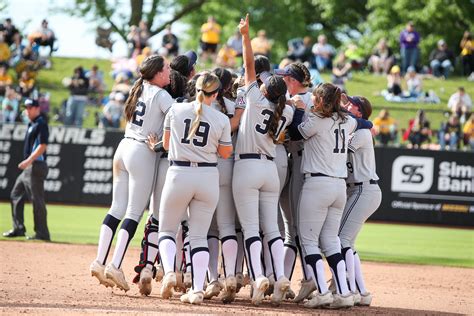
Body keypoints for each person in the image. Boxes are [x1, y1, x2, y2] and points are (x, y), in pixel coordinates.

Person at [89, 55, 172, 292]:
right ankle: (114, 265)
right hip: (142, 151)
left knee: (116, 208)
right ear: (156, 73)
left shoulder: (139, 88)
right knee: (134, 213)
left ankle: (99, 261)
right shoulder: (161, 94)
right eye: (165, 69)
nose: (168, 72)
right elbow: (179, 117)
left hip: (123, 147)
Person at [288, 83, 372, 309]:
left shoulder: (316, 121)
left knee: (308, 241)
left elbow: (294, 132)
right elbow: (366, 122)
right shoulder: (349, 121)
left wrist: (297, 110)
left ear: (320, 100)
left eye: (316, 97)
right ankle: (344, 293)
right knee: (331, 241)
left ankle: (323, 292)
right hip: (338, 187)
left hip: (317, 184)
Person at [233, 14, 293, 306]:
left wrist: (246, 35)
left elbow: (247, 64)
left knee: (251, 229)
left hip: (247, 166)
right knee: (273, 230)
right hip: (271, 168)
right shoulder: (286, 111)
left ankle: (259, 277)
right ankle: (281, 276)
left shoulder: (255, 97)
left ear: (266, 86)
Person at [158, 72, 233, 305]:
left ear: (195, 89)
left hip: (179, 173)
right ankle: (198, 289)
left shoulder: (176, 110)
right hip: (208, 175)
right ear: (216, 93)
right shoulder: (221, 119)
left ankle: (170, 271)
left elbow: (166, 144)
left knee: (167, 231)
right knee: (199, 236)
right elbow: (226, 153)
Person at [274, 62, 315, 302]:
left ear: (291, 80)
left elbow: (297, 132)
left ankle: (309, 279)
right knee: (292, 230)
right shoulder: (300, 99)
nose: (282, 81)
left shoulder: (304, 100)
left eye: (284, 77)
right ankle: (285, 282)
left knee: (297, 230)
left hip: (302, 162)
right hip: (293, 162)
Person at [339, 95, 381, 307]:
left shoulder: (362, 132)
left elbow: (339, 150)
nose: (346, 105)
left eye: (350, 104)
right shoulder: (359, 128)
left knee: (340, 240)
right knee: (346, 241)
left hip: (363, 189)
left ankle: (350, 288)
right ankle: (362, 291)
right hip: (359, 189)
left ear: (359, 112)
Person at [3, 99, 50, 241]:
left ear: (37, 109)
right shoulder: (32, 124)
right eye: (26, 107)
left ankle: (42, 233)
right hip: (29, 168)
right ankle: (18, 228)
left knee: (37, 200)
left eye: (30, 107)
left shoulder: (41, 123)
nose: (27, 110)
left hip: (36, 166)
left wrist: (29, 160)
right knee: (15, 194)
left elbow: (42, 145)